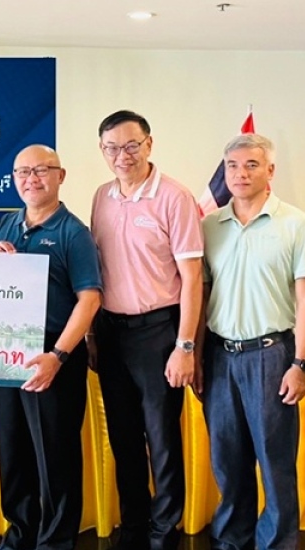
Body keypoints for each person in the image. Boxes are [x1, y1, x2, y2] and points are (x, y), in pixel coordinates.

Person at [200, 134, 305, 550]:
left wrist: (300, 364)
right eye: (232, 166)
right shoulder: (209, 226)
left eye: (251, 164)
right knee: (226, 459)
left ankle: (276, 543)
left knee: (275, 461)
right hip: (219, 357)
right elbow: (200, 295)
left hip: (271, 356)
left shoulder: (296, 224)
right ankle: (232, 540)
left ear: (270, 170)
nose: (240, 173)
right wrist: (195, 355)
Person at [89, 111, 203, 550]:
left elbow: (192, 278)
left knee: (162, 438)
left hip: (159, 332)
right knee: (123, 437)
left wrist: (185, 346)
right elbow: (98, 272)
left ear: (149, 145)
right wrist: (93, 335)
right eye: (112, 148)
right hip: (111, 331)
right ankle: (134, 526)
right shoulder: (101, 197)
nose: (123, 156)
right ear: (102, 151)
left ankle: (163, 531)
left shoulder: (174, 197)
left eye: (131, 145)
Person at [0, 144, 102, 550]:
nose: (31, 179)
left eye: (41, 170)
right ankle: (19, 536)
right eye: (22, 172)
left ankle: (55, 542)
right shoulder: (3, 226)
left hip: (54, 353)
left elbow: (90, 300)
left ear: (60, 176)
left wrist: (59, 356)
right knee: (12, 450)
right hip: (5, 352)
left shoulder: (73, 233)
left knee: (55, 454)